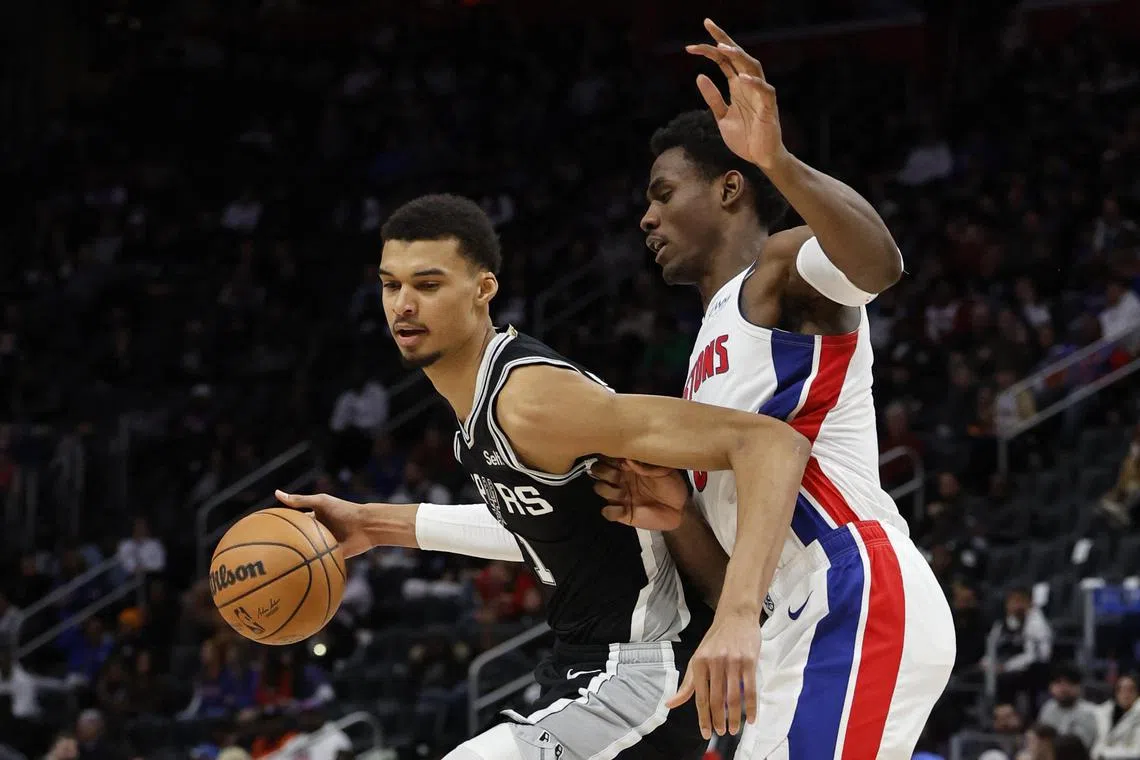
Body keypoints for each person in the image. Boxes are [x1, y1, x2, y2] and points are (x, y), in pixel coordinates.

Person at [276, 191, 812, 759]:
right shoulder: (479, 410)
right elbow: (545, 529)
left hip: (644, 671)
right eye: (391, 285)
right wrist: (373, 524)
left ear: (483, 289)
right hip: (582, 666)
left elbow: (769, 443)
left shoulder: (530, 400)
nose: (403, 305)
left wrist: (737, 617)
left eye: (428, 285)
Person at [590, 18, 955, 758]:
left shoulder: (778, 272)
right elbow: (730, 574)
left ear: (730, 187)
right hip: (781, 619)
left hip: (851, 583)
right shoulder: (702, 363)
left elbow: (879, 265)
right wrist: (680, 516)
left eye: (664, 193)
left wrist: (776, 160)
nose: (646, 217)